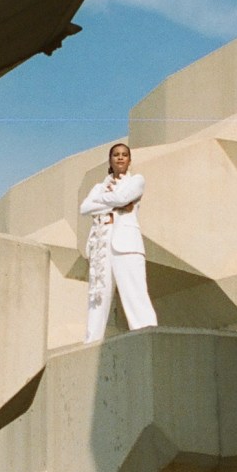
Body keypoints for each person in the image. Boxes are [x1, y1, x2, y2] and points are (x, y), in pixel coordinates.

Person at [80, 142, 157, 343]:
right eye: (116, 155)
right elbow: (85, 207)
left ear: (129, 160)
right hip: (101, 246)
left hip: (126, 245)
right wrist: (117, 202)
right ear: (110, 160)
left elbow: (123, 196)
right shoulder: (98, 186)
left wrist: (109, 201)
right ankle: (91, 342)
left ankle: (148, 337)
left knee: (135, 293)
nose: (120, 158)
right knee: (97, 299)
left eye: (124, 155)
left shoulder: (137, 180)